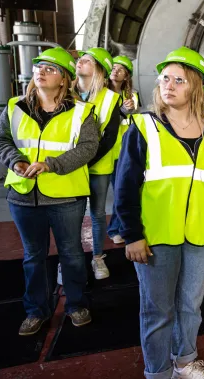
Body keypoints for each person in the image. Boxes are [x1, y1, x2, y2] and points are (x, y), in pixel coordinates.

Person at [114, 47, 204, 379]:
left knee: (190, 308)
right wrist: (132, 235)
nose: (169, 85)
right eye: (165, 78)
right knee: (158, 312)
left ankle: (185, 362)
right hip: (155, 237)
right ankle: (158, 372)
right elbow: (124, 187)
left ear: (198, 86)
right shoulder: (144, 127)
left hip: (200, 234)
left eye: (179, 80)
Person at [0, 47, 98, 335]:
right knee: (32, 256)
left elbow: (88, 147)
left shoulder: (81, 112)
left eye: (50, 69)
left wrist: (51, 165)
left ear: (64, 79)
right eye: (39, 67)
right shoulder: (15, 107)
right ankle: (36, 310)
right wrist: (16, 160)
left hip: (66, 196)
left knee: (71, 254)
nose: (41, 71)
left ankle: (76, 304)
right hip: (23, 195)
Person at [75, 47, 121, 279]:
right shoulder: (65, 93)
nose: (79, 62)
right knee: (70, 215)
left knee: (97, 213)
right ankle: (69, 260)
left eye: (86, 61)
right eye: (80, 60)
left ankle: (97, 257)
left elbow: (110, 136)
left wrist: (83, 160)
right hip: (67, 168)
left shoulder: (111, 98)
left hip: (97, 165)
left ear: (99, 70)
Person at [106, 55, 139, 244]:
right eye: (114, 67)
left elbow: (133, 121)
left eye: (121, 69)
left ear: (126, 76)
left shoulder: (132, 96)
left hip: (123, 150)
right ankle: (114, 228)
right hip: (106, 151)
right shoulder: (102, 94)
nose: (115, 71)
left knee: (121, 190)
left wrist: (132, 110)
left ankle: (115, 229)